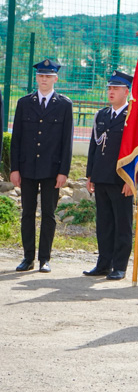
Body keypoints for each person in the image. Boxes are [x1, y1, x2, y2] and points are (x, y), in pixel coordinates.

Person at [10, 59, 74, 273]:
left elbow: (67, 141)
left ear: (56, 78)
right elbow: (17, 137)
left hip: (51, 169)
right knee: (27, 213)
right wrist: (14, 168)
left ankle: (44, 259)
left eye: (48, 76)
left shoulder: (64, 105)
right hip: (27, 168)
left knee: (48, 214)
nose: (44, 79)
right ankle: (27, 258)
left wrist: (63, 171)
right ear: (36, 78)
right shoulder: (24, 103)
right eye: (40, 76)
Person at [83, 70, 135, 280]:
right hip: (102, 176)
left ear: (126, 92)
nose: (111, 92)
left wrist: (133, 179)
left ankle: (120, 266)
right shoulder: (102, 115)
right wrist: (90, 175)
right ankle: (103, 263)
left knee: (122, 223)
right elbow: (94, 147)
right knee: (104, 223)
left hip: (121, 178)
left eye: (116, 89)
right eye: (110, 88)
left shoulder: (133, 116)